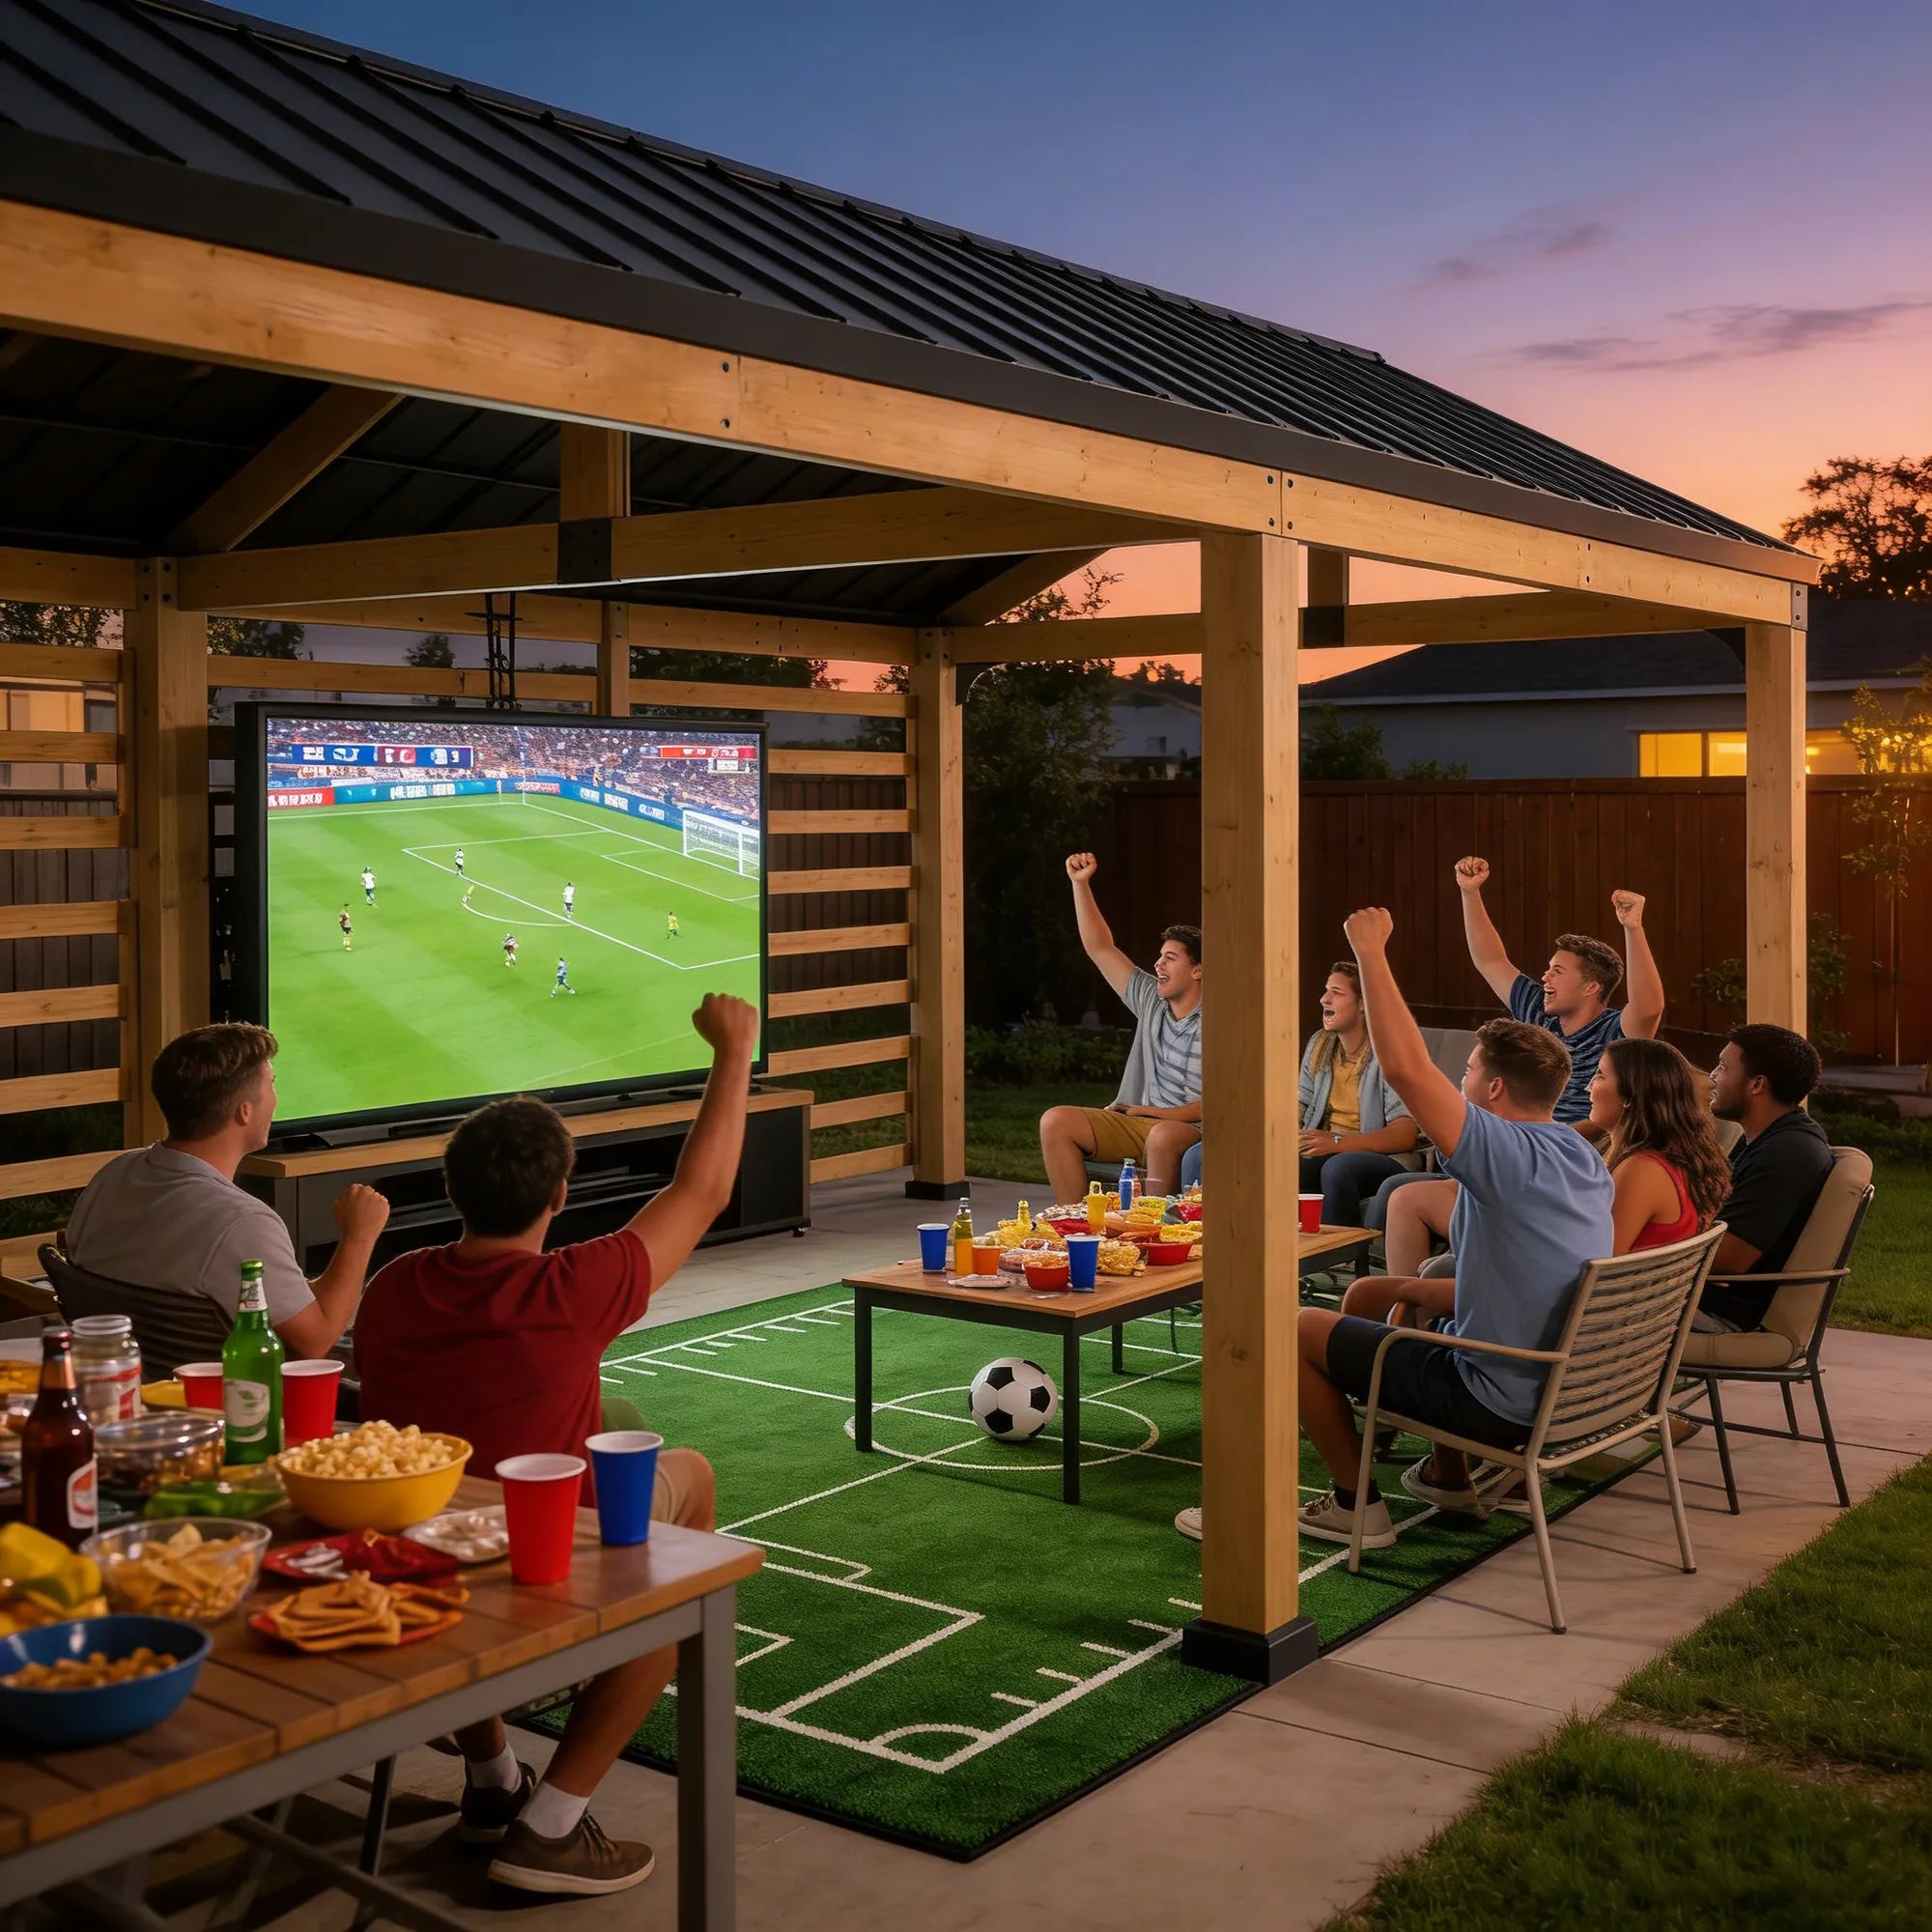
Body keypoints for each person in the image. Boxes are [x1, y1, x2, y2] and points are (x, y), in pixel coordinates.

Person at [354, 993, 757, 1897]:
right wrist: (734, 1052)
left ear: (452, 1190)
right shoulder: (573, 1288)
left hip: (421, 1547)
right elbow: (702, 1190)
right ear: (561, 1195)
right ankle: (552, 1823)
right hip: (530, 1558)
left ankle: (494, 1781)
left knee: (612, 1405)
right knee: (684, 1523)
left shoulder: (391, 1285)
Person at [1236, 908, 1613, 1548]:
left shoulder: (1503, 1150)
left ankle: (1356, 1504)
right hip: (1558, 1388)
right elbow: (1517, 1279)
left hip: (1498, 1401)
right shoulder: (1580, 1154)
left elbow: (1408, 1071)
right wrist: (1406, 1291)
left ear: (1493, 1088)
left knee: (1296, 1328)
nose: (1458, 1080)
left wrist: (1371, 952)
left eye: (1466, 1070)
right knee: (1415, 1298)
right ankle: (1447, 1477)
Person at [1360, 864, 1668, 1253]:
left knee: (1403, 1195)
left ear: (1591, 987)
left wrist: (1633, 928)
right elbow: (1490, 960)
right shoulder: (1537, 1009)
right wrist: (1470, 893)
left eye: (1557, 971)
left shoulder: (1615, 1032)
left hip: (1559, 1163)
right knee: (1395, 1189)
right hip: (1509, 1146)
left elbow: (1650, 1006)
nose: (1545, 978)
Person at [65, 1023, 388, 1360]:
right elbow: (315, 1341)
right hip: (222, 1401)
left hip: (129, 1384)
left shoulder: (112, 1175)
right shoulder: (242, 1223)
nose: (276, 1100)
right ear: (244, 1111)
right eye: (271, 1085)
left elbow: (282, 1302)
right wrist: (359, 1236)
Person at [1038, 852, 1202, 1202]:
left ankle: (1156, 1231)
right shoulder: (1150, 999)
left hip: (1195, 1129)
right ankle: (1079, 1226)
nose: (1158, 963)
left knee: (1161, 1137)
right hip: (1141, 1121)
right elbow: (1100, 947)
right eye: (1159, 956)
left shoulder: (1223, 1020)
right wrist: (1079, 885)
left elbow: (1222, 1104)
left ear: (1198, 970)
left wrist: (1153, 1112)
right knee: (1056, 1121)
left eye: (1170, 958)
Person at [1699, 1024, 1833, 1333]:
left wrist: (1652, 1243)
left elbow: (1730, 1259)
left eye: (1722, 1066)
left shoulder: (1785, 1154)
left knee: (1584, 1310)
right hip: (1714, 1302)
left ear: (1757, 1084)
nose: (1713, 1076)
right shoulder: (1770, 1140)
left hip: (1730, 1317)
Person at [1292, 961, 1419, 1224]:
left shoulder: (1388, 1052)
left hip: (1380, 1156)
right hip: (1323, 1147)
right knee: (1283, 1161)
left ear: (1363, 1004)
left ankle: (1343, 1259)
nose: (1324, 999)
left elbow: (1404, 1134)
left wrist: (1338, 1143)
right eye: (1326, 991)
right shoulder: (1319, 1044)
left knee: (1337, 1167)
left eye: (1336, 993)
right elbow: (1300, 1103)